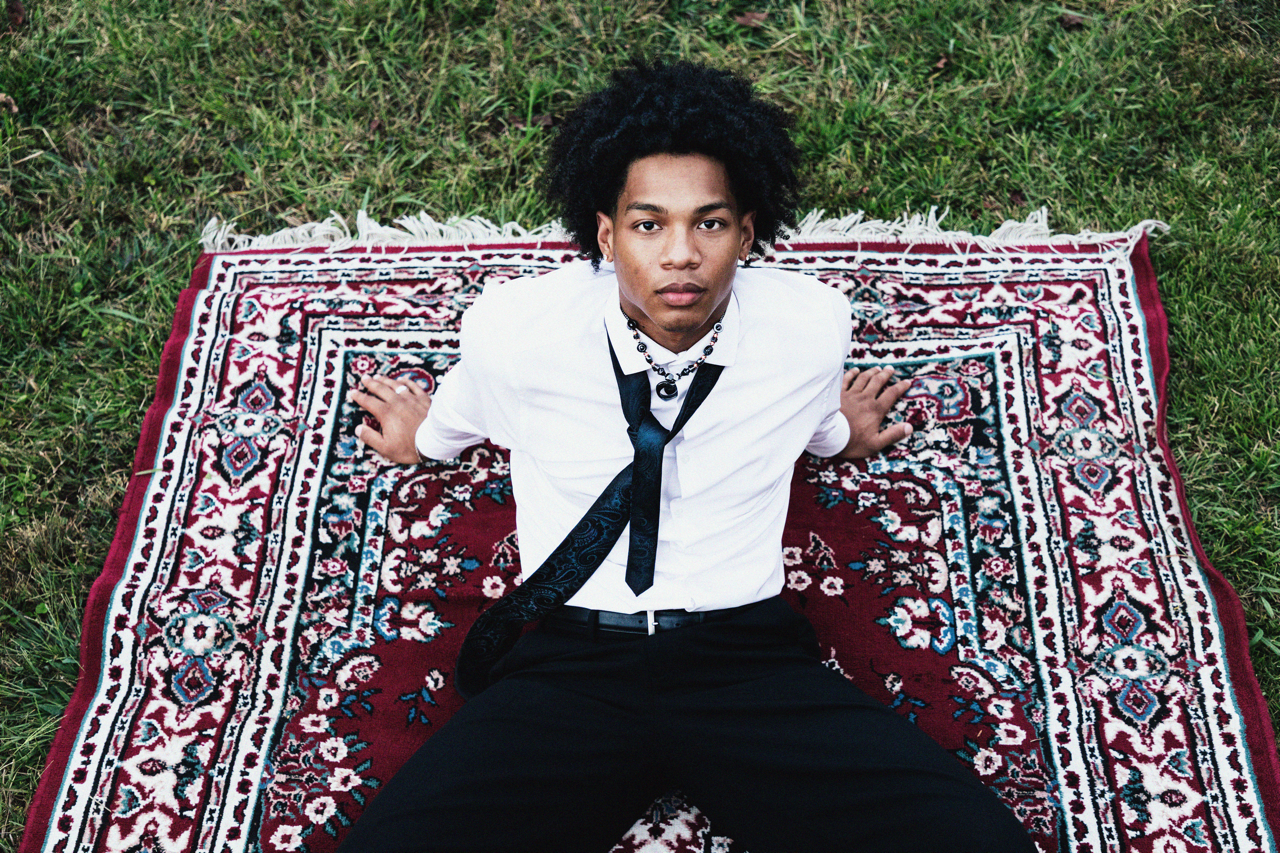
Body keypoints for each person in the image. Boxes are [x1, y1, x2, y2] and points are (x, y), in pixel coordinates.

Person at [339, 60, 1035, 853]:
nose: (681, 254)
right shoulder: (517, 332)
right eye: (648, 224)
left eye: (709, 223)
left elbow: (813, 419)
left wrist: (845, 432)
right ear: (606, 235)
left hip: (745, 662)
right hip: (571, 663)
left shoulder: (808, 326)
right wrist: (419, 439)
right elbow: (458, 417)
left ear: (746, 232)